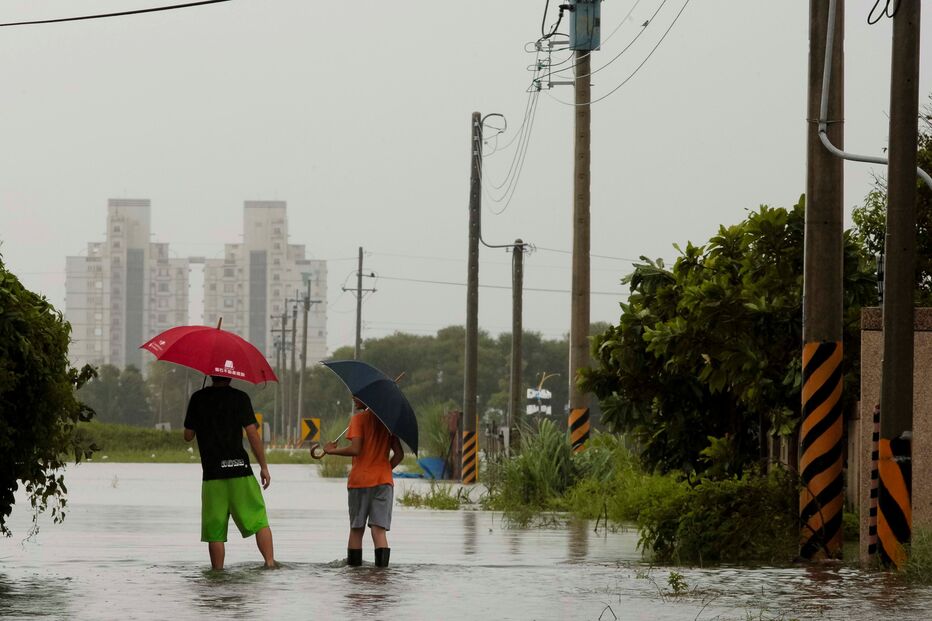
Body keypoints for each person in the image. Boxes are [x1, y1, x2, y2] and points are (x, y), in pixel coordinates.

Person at [183, 375, 276, 570]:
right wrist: (264, 466)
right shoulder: (240, 398)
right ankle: (270, 563)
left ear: (210, 374)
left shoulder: (198, 398)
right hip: (240, 471)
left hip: (213, 476)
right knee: (259, 520)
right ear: (231, 375)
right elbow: (252, 434)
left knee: (215, 531)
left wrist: (197, 411)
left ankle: (217, 573)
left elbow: (188, 436)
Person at [314, 397, 403, 567]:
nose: (354, 398)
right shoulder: (388, 422)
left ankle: (354, 574)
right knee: (379, 531)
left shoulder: (358, 419)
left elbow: (356, 449)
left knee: (356, 529)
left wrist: (331, 451)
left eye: (357, 397)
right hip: (383, 482)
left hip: (360, 481)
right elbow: (399, 455)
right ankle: (381, 574)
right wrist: (383, 469)